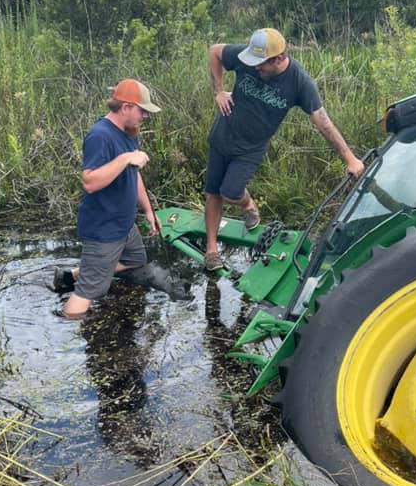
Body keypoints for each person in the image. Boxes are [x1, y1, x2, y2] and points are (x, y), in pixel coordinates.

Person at [203, 27, 365, 270]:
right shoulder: (248, 58)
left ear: (279, 58)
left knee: (230, 193)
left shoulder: (299, 82)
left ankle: (246, 204)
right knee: (213, 192)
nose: (256, 68)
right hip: (222, 136)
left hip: (250, 149)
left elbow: (322, 121)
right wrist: (218, 91)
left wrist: (349, 158)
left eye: (262, 65)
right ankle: (211, 250)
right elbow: (215, 52)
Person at [54, 78, 188, 317]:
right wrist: (125, 158)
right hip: (104, 228)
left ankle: (71, 274)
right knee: (90, 291)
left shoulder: (128, 133)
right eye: (142, 111)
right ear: (126, 107)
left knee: (136, 260)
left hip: (124, 224)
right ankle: (66, 331)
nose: (145, 116)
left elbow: (134, 176)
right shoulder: (100, 136)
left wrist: (148, 211)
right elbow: (90, 182)